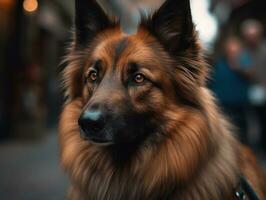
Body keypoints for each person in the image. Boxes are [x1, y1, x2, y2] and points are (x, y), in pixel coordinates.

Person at [210, 37, 252, 144]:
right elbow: (213, 82)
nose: (233, 53)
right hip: (224, 104)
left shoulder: (244, 62)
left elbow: (251, 75)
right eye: (231, 51)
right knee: (228, 132)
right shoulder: (219, 64)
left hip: (240, 104)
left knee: (243, 131)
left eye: (235, 51)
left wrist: (239, 67)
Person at [241, 19, 266, 150]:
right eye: (248, 36)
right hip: (251, 91)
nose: (251, 38)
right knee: (255, 119)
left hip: (263, 88)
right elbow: (242, 68)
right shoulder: (244, 51)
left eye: (253, 35)